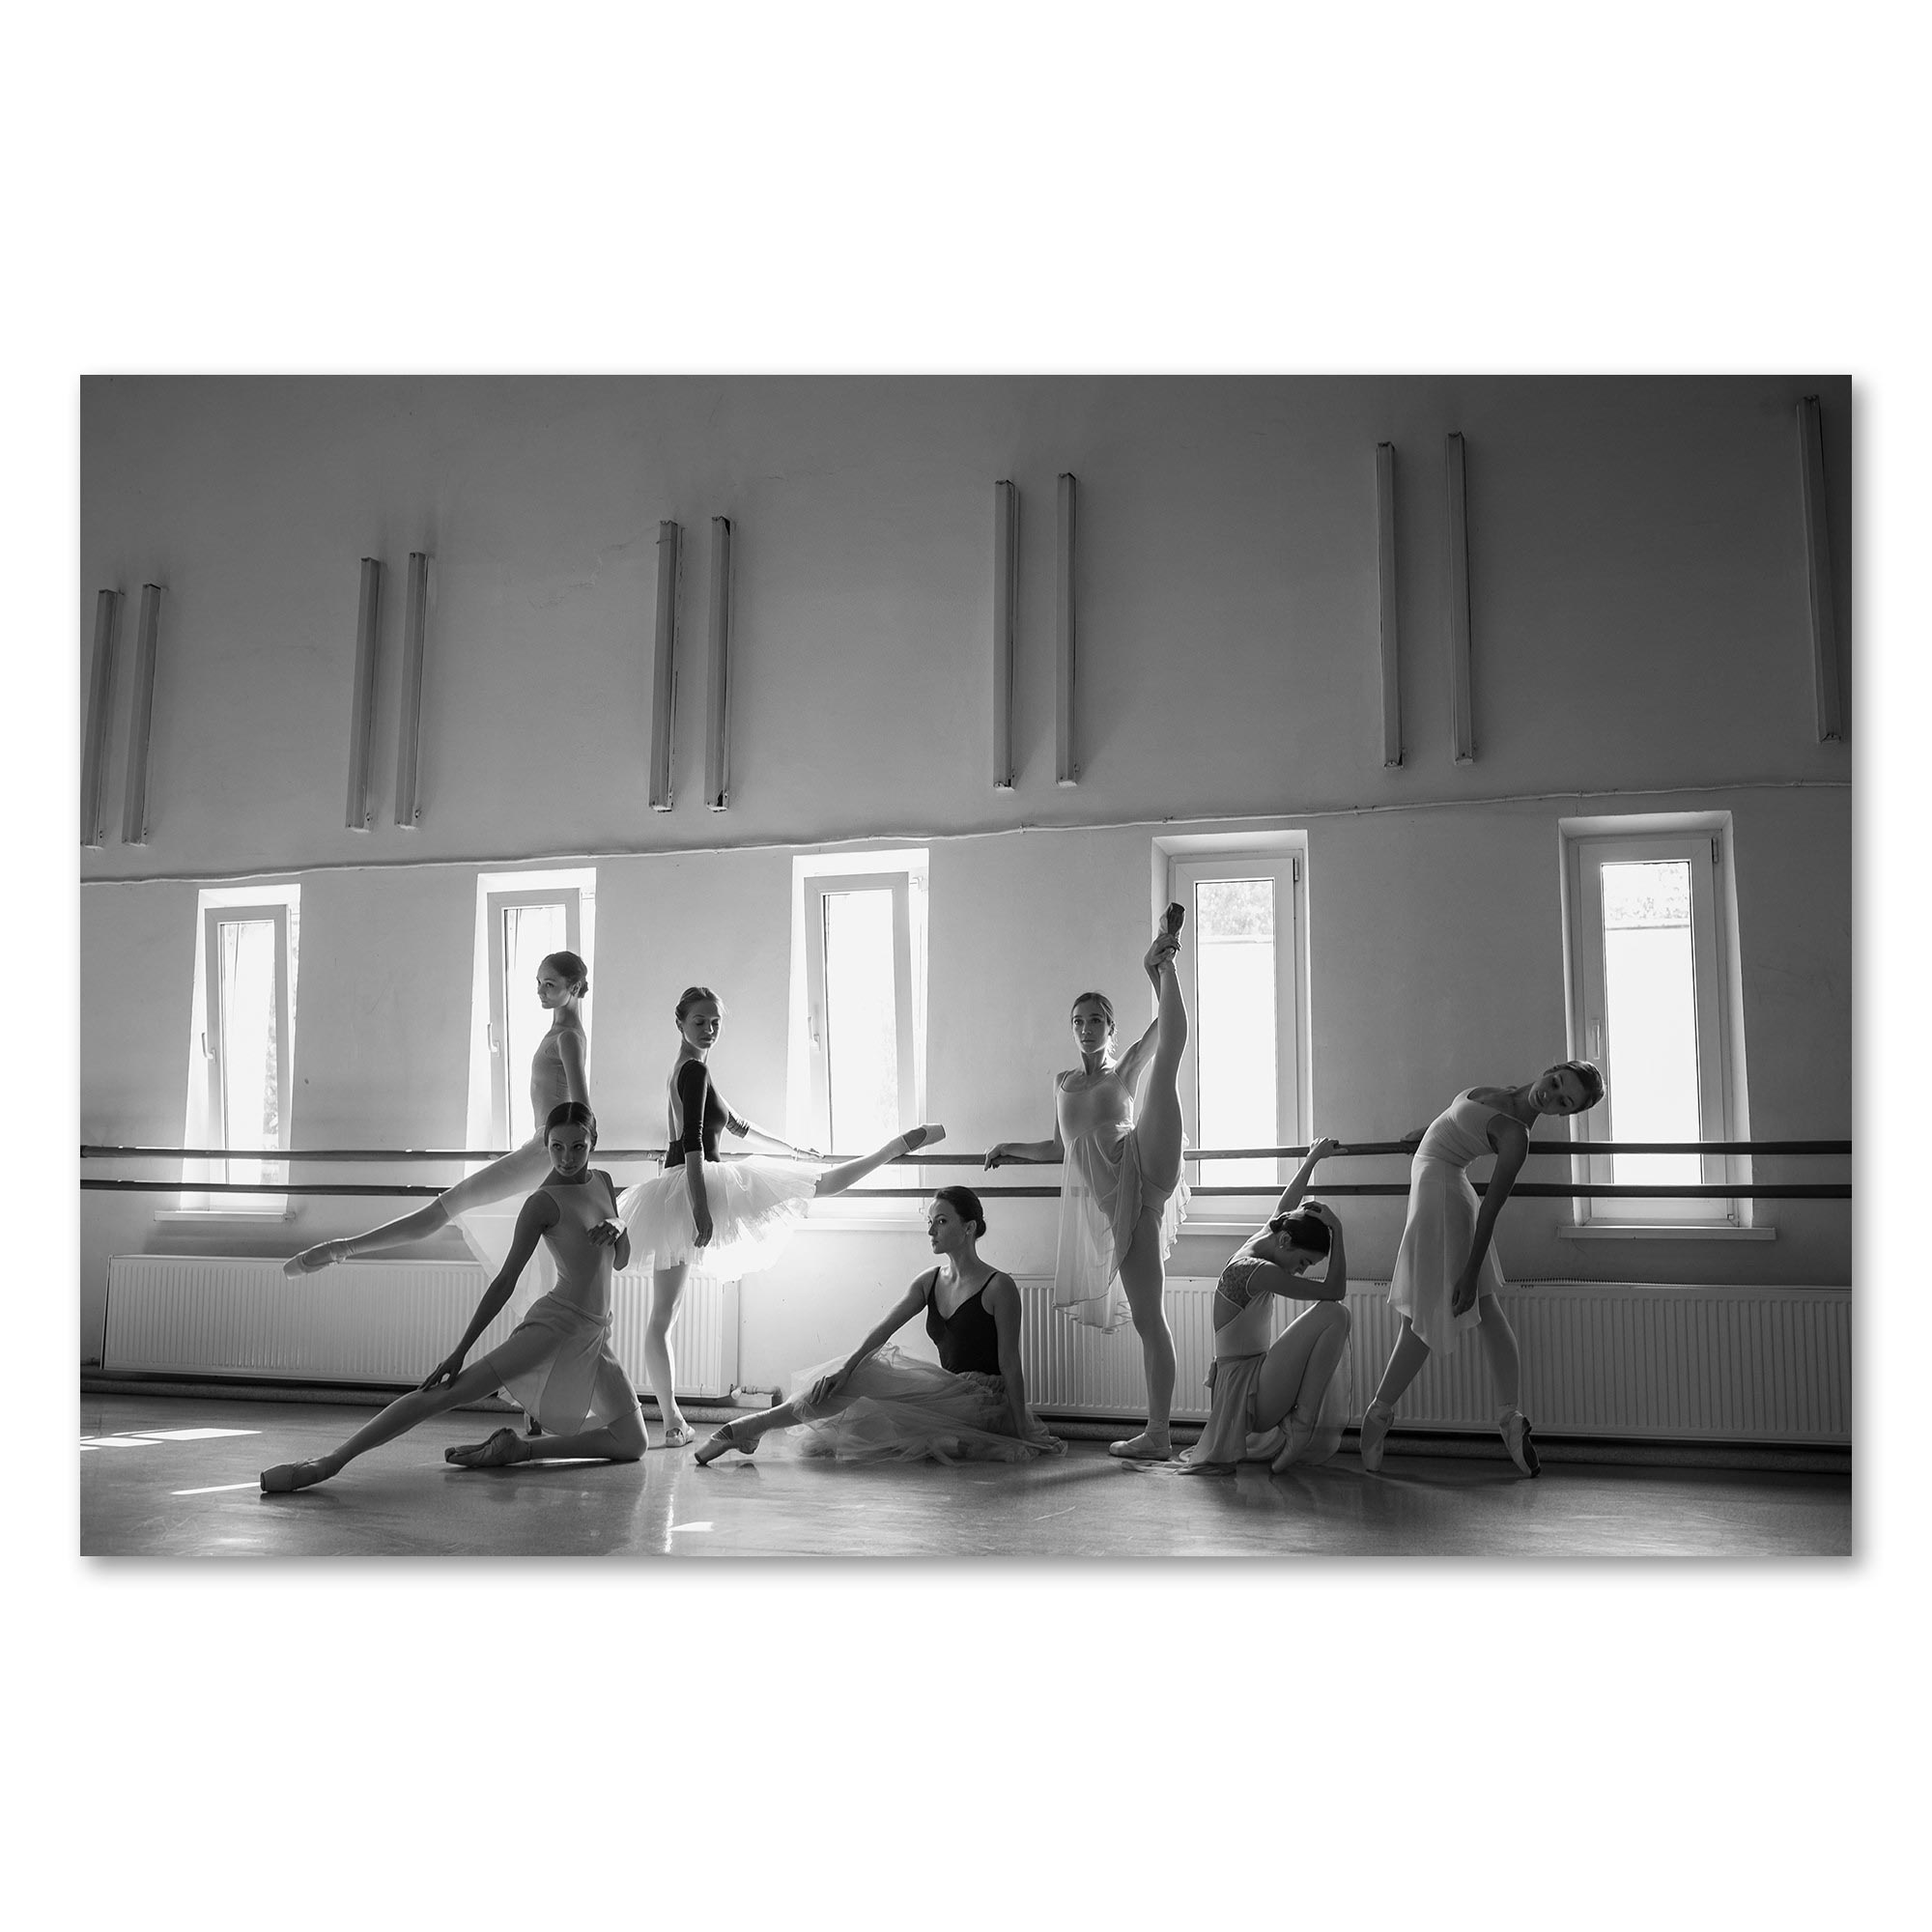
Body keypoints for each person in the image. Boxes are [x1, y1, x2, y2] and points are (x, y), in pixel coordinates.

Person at [260, 1102, 647, 1492]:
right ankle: (327, 1463)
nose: (566, 1158)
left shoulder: (603, 1182)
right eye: (556, 1147)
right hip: (555, 1327)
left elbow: (620, 1261)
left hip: (595, 1334)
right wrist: (460, 1351)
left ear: (593, 1142)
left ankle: (519, 1450)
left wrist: (619, 1225)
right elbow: (505, 1282)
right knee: (444, 1394)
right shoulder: (542, 1203)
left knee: (632, 1441)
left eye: (577, 1147)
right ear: (546, 1144)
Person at [619, 985, 944, 1446]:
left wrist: (793, 1150)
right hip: (692, 1184)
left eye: (715, 1022)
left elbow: (739, 1126)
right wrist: (699, 1207)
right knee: (816, 1186)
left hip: (684, 1184)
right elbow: (692, 1142)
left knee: (662, 1316)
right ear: (680, 1023)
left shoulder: (690, 1068)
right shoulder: (693, 1070)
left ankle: (673, 1421)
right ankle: (892, 1149)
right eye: (700, 1022)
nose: (709, 1029)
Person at [986, 905, 1190, 1461]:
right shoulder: (1062, 1083)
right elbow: (1058, 1148)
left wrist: (1158, 981)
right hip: (1122, 1206)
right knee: (1149, 1318)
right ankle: (1158, 1434)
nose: (1086, 1027)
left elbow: (1164, 1029)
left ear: (1110, 1028)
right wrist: (1008, 1148)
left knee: (1168, 1058)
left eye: (1096, 1019)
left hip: (1141, 1161)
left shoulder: (1124, 1069)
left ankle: (1163, 962)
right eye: (1078, 1020)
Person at [281, 950, 593, 1300]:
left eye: (549, 984)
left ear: (574, 987)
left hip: (547, 1152)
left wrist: (572, 1163)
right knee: (519, 1238)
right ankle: (338, 1249)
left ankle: (338, 1249)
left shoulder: (568, 1037)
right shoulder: (559, 1032)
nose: (540, 991)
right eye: (538, 982)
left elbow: (583, 1113)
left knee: (448, 1205)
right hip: (542, 1148)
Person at [693, 1184, 1062, 1464]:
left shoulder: (999, 1286)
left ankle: (748, 1428)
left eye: (941, 1221)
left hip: (986, 1401)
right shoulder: (929, 1281)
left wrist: (1021, 1429)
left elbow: (1010, 1363)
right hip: (949, 1393)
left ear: (969, 1227)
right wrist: (845, 1369)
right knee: (860, 1374)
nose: (931, 1231)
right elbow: (882, 1330)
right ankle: (749, 1427)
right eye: (930, 1222)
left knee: (885, 1417)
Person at [1359, 1062, 1605, 1477]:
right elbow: (1459, 1120)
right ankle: (1509, 1419)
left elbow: (1491, 1208)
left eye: (1564, 1103)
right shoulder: (1506, 1092)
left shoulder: (1516, 1137)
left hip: (1440, 1193)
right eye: (1556, 1083)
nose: (1551, 1096)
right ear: (1551, 1070)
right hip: (1440, 1184)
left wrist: (1471, 1272)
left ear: (1564, 1114)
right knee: (1484, 1312)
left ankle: (1377, 1416)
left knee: (1424, 1316)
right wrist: (1425, 1134)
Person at [1176, 1136, 1352, 1475]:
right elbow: (1335, 1290)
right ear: (1285, 1241)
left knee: (1336, 1314)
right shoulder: (1259, 1271)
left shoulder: (1263, 1241)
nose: (1300, 1270)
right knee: (1334, 1312)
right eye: (1303, 1262)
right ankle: (1300, 1427)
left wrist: (1312, 1159)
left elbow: (1287, 1205)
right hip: (1247, 1395)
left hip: (1249, 1384)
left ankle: (1298, 1426)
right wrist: (1338, 1229)